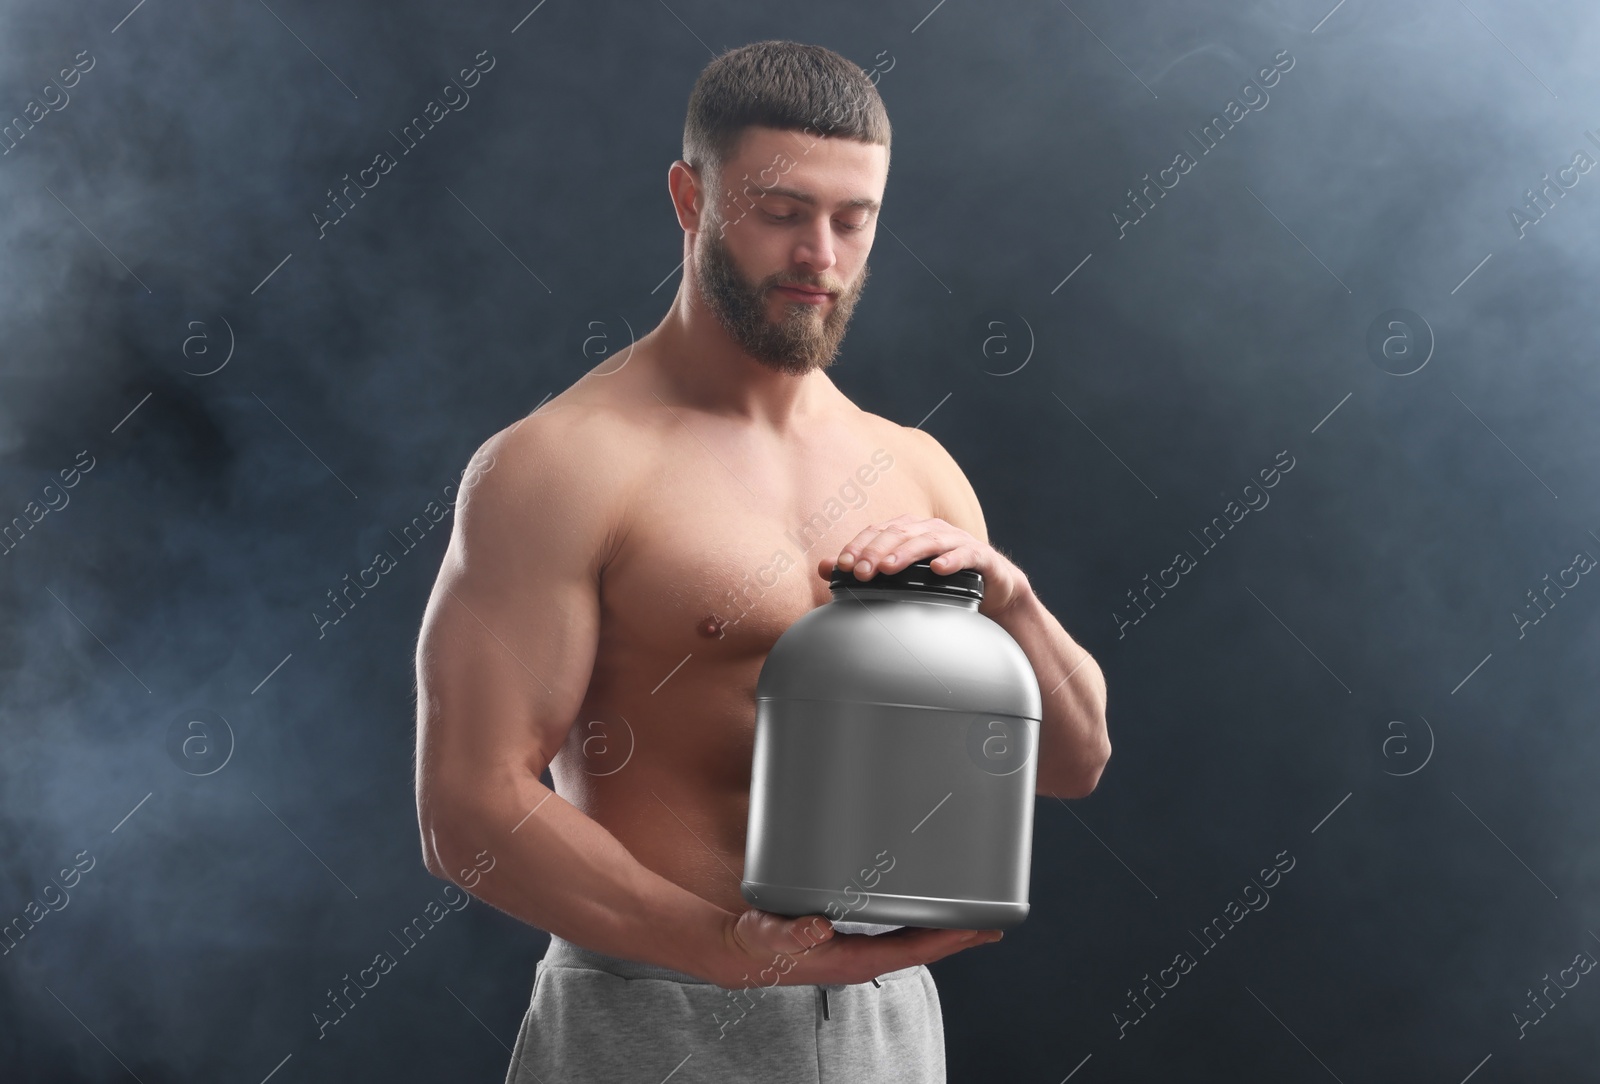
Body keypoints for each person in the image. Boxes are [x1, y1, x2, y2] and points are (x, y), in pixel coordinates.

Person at [412, 39, 1111, 1084]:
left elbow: (1070, 764)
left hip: (883, 1026)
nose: (818, 256)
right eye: (782, 211)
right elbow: (465, 806)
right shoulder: (561, 463)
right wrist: (725, 949)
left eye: (852, 218)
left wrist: (1008, 598)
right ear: (691, 198)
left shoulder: (912, 467)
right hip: (654, 1015)